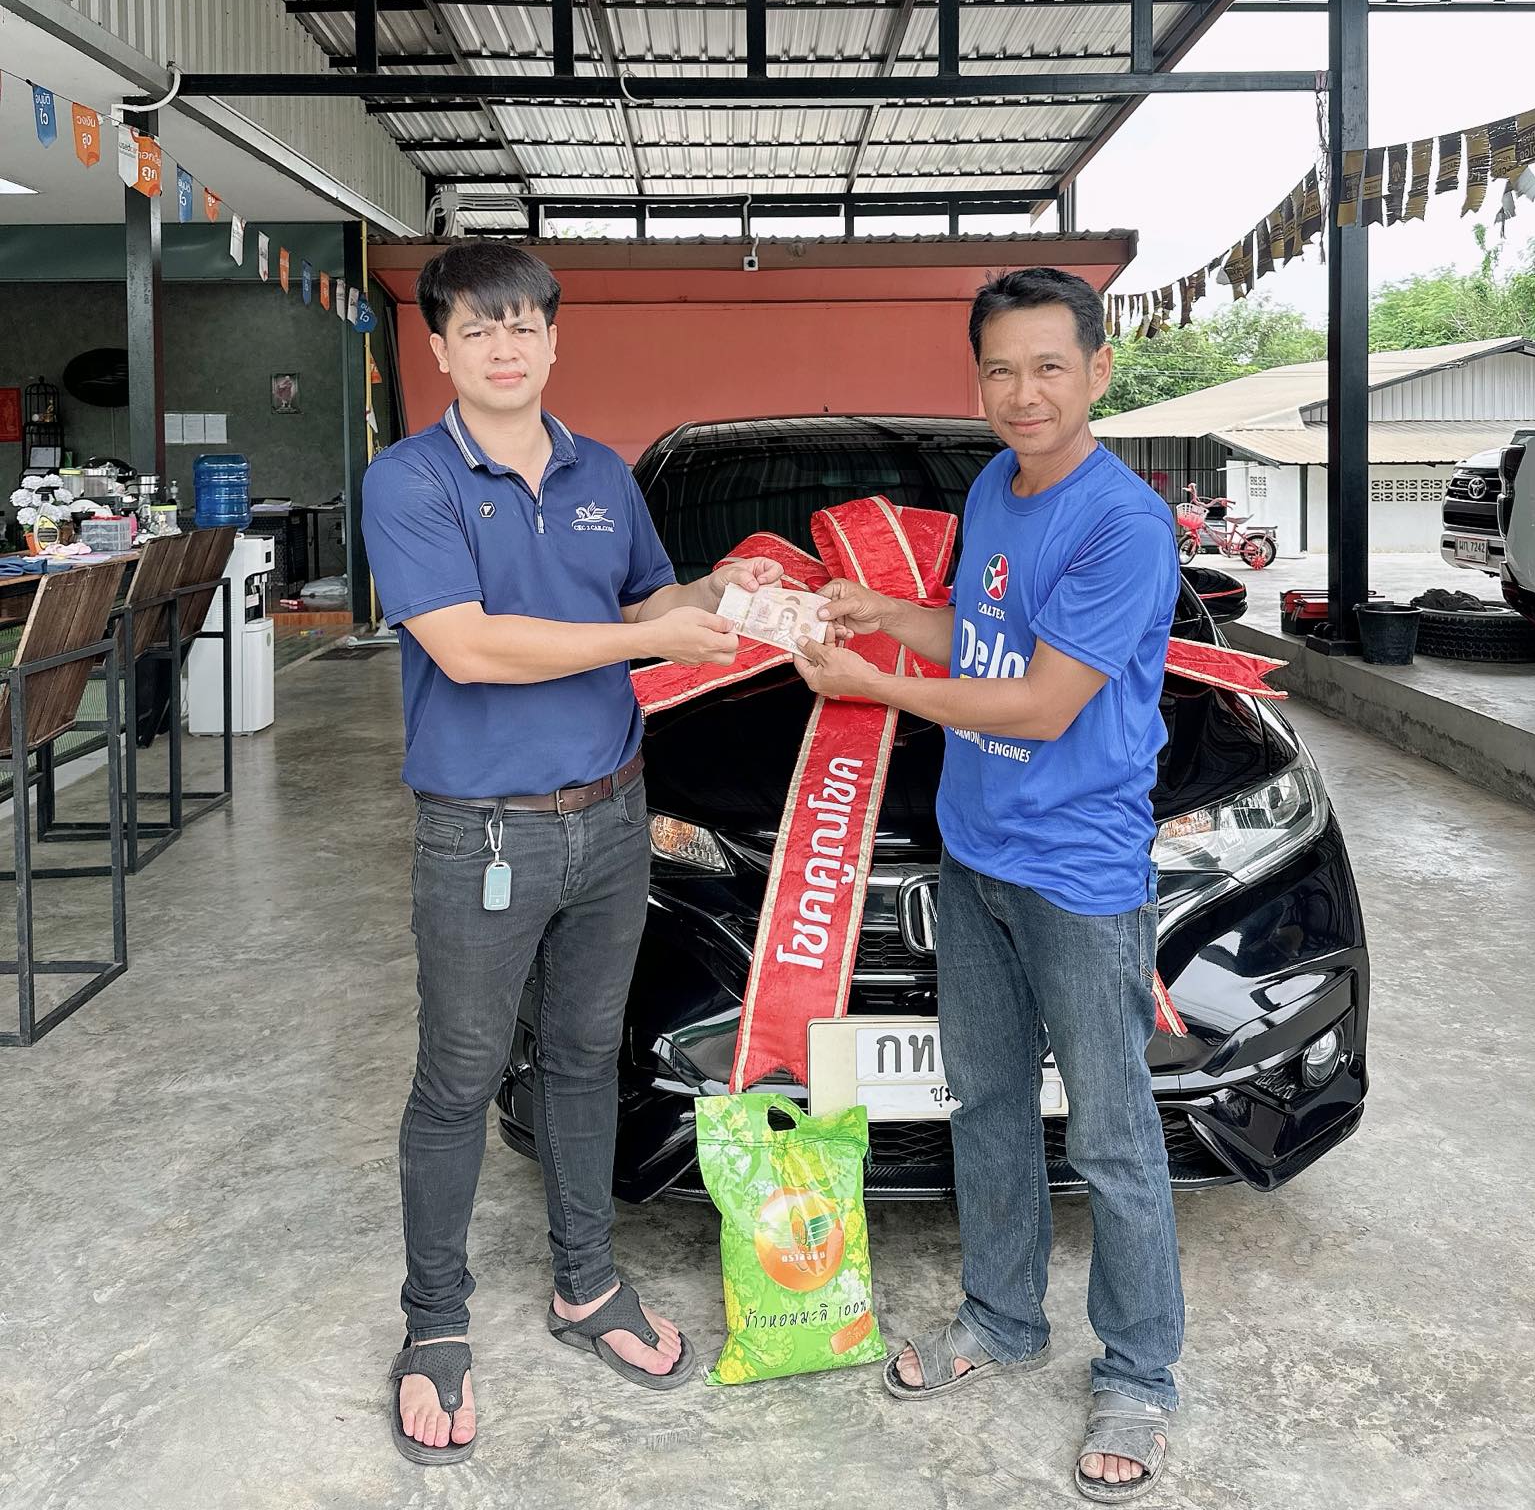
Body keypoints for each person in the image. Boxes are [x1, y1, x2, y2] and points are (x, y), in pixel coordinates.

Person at [362, 241, 781, 1466]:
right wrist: (643, 639)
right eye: (476, 327)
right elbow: (469, 646)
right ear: (439, 348)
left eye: (523, 325)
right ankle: (435, 1321)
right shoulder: (409, 480)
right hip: (481, 830)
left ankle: (585, 1281)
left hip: (610, 816)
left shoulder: (603, 471)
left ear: (554, 338)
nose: (504, 346)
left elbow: (645, 603)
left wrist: (718, 589)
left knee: (587, 1058)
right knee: (460, 1075)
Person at [796, 266, 1183, 1503]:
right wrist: (883, 612)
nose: (1024, 392)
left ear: (1098, 370)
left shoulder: (1124, 522)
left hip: (1078, 873)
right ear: (979, 380)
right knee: (988, 1102)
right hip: (976, 855)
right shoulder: (989, 486)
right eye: (1001, 369)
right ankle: (1004, 1316)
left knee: (1113, 1134)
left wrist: (874, 685)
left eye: (1049, 366)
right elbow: (979, 639)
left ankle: (1139, 1370)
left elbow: (1042, 700)